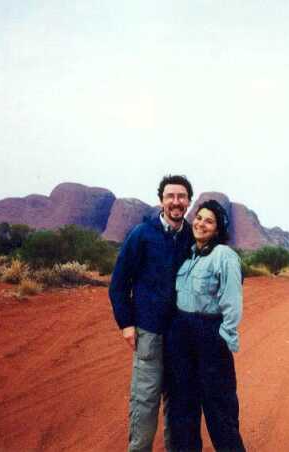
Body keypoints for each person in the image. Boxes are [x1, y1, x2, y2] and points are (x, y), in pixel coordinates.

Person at [109, 175, 195, 452]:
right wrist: (126, 324)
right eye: (170, 196)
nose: (176, 202)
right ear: (161, 200)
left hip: (182, 334)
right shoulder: (142, 235)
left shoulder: (193, 236)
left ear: (189, 201)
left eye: (181, 196)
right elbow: (119, 282)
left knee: (179, 401)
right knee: (145, 400)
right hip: (149, 330)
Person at [165, 199, 246, 452]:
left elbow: (232, 301)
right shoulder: (188, 255)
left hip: (209, 333)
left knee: (219, 407)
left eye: (209, 221)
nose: (201, 224)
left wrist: (224, 337)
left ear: (218, 229)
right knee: (184, 404)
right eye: (199, 218)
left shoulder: (224, 255)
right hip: (181, 334)